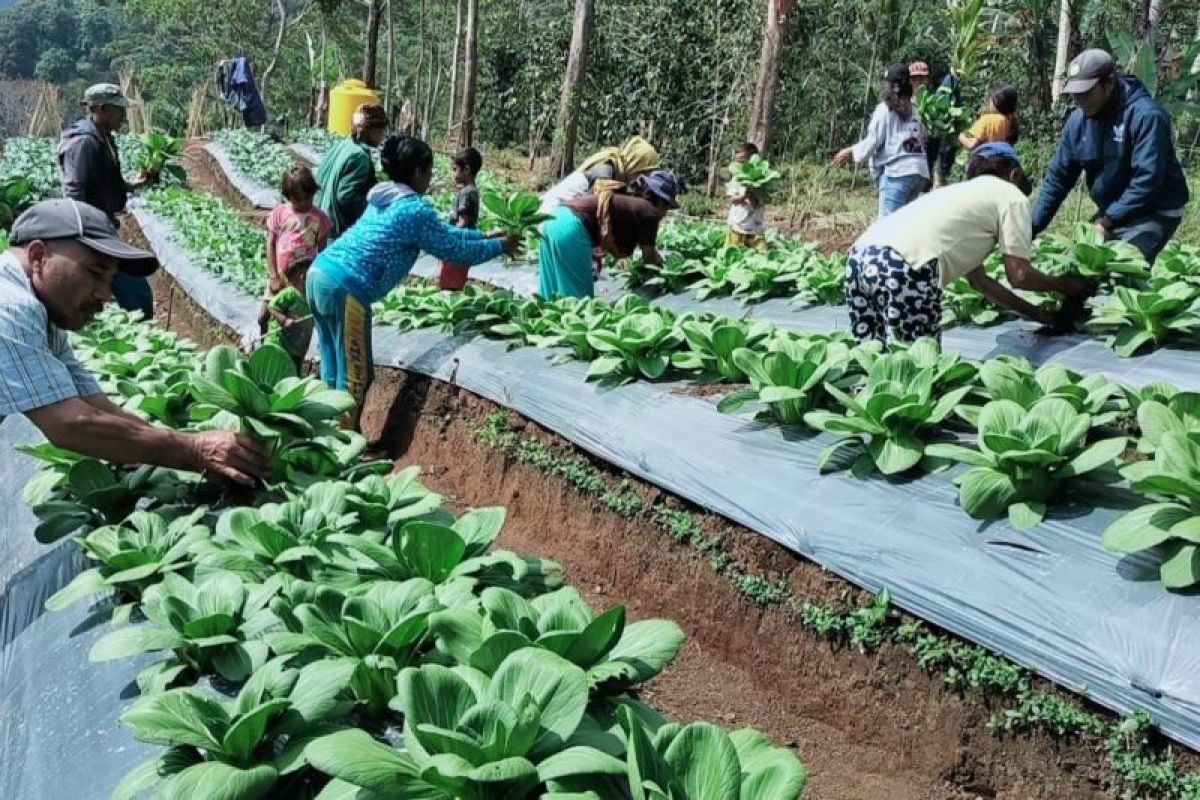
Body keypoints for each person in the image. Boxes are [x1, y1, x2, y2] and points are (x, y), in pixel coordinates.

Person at [2, 199, 267, 486]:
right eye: (95, 273)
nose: (105, 295)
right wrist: (195, 450)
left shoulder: (44, 314)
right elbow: (70, 424)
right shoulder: (10, 306)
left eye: (110, 280)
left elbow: (97, 407)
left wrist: (179, 447)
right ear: (39, 256)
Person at [308, 136, 519, 427]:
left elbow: (444, 234)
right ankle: (343, 444)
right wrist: (500, 247)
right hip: (346, 288)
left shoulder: (385, 197)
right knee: (355, 376)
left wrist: (483, 236)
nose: (432, 177)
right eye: (429, 171)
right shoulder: (413, 209)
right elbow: (453, 249)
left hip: (320, 275)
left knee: (332, 364)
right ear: (418, 172)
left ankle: (324, 432)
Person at [844, 143, 1094, 345]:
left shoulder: (958, 195)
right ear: (1014, 173)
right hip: (903, 268)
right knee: (916, 373)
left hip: (859, 258)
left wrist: (1041, 316)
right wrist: (1066, 285)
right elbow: (1019, 275)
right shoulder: (1011, 195)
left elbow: (980, 282)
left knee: (871, 361)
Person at [1031, 49, 1190, 263]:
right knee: (1077, 268)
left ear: (1109, 83)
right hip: (1115, 210)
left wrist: (1107, 222)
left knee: (1117, 272)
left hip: (1155, 210)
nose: (1080, 100)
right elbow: (1058, 178)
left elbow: (1147, 181)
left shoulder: (1146, 117)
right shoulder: (1078, 122)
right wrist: (1032, 226)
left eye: (1086, 92)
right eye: (1076, 94)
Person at [57, 83, 153, 320]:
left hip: (102, 228)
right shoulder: (84, 143)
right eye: (119, 109)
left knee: (132, 290)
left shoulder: (104, 138)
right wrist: (84, 238)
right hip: (92, 234)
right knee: (134, 290)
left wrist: (135, 184)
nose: (124, 115)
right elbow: (74, 191)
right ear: (100, 109)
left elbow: (107, 182)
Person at [539, 169, 680, 300]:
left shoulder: (632, 203)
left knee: (549, 292)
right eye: (667, 208)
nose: (665, 214)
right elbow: (649, 256)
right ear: (661, 201)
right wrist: (669, 272)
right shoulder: (650, 212)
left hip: (553, 219)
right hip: (571, 227)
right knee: (578, 304)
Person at [833, 65, 929, 217]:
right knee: (905, 224)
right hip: (919, 172)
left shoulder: (885, 109)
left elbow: (873, 141)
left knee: (886, 226)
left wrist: (851, 152)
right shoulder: (917, 109)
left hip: (897, 173)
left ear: (891, 86)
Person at [260, 165, 330, 332]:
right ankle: (263, 350)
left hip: (302, 280)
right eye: (298, 200)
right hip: (281, 277)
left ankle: (291, 356)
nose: (304, 203)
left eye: (308, 198)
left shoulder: (320, 219)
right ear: (288, 197)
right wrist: (273, 275)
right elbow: (270, 244)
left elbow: (322, 254)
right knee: (263, 317)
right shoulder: (280, 213)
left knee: (294, 323)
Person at [315, 102, 388, 239]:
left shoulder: (344, 145)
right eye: (380, 130)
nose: (382, 135)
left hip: (320, 222)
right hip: (336, 231)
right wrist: (375, 210)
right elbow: (346, 196)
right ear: (369, 130)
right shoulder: (359, 156)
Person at [540, 136, 661, 210]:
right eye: (643, 172)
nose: (642, 178)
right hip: (550, 213)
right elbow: (597, 208)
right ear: (635, 164)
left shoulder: (616, 171)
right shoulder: (605, 170)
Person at [440, 146, 483, 290]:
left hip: (459, 245)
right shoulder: (472, 191)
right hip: (465, 244)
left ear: (466, 170)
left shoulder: (466, 193)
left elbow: (463, 223)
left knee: (449, 285)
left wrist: (446, 236)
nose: (453, 174)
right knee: (456, 283)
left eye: (455, 169)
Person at [261, 256, 314, 371]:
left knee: (292, 372)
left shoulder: (312, 300)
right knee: (273, 369)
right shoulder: (290, 294)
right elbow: (272, 306)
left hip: (298, 348)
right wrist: (284, 320)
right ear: (303, 278)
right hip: (279, 343)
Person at [726, 142, 768, 250]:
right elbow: (732, 199)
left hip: (755, 227)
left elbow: (763, 202)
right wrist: (743, 196)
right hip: (737, 224)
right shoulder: (736, 179)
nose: (739, 164)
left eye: (743, 161)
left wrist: (753, 195)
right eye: (738, 161)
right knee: (733, 254)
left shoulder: (763, 181)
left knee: (761, 256)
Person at [959, 87, 1019, 151]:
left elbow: (971, 145)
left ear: (996, 102)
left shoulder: (987, 120)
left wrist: (961, 136)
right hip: (1005, 158)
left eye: (991, 101)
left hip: (987, 159)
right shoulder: (1010, 121)